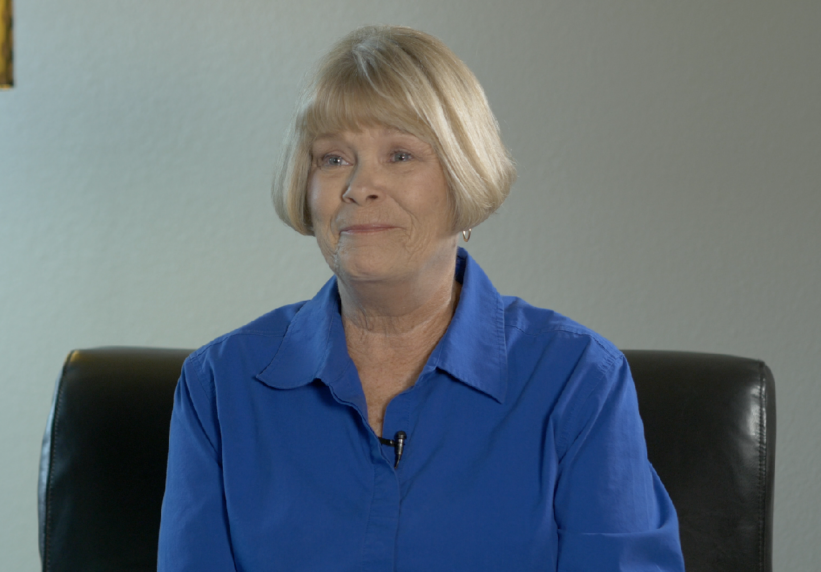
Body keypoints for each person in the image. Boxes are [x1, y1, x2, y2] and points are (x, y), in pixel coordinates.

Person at [158, 25, 684, 571]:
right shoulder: (219, 386)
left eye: (401, 155)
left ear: (464, 177)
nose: (360, 186)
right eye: (333, 159)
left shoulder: (578, 381)